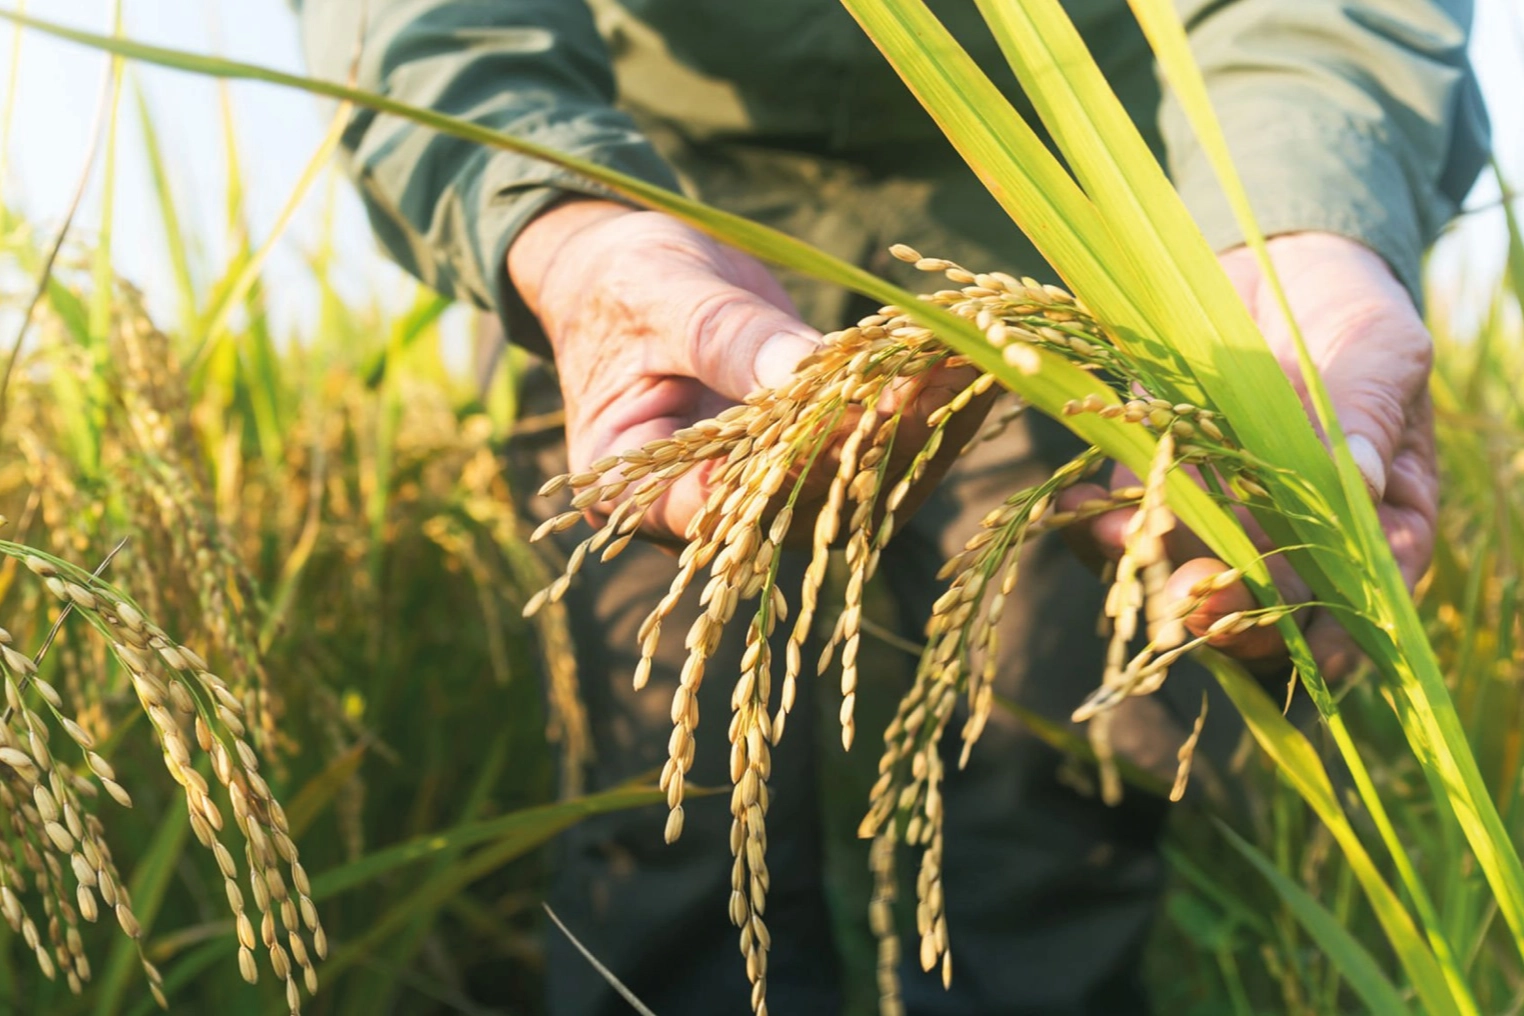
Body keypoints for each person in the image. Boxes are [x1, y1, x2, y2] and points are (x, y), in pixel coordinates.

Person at [298, 1, 1488, 1013]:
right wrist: (558, 218)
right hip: (647, 201)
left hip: (1067, 219)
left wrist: (1303, 234)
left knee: (1045, 788)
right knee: (664, 801)